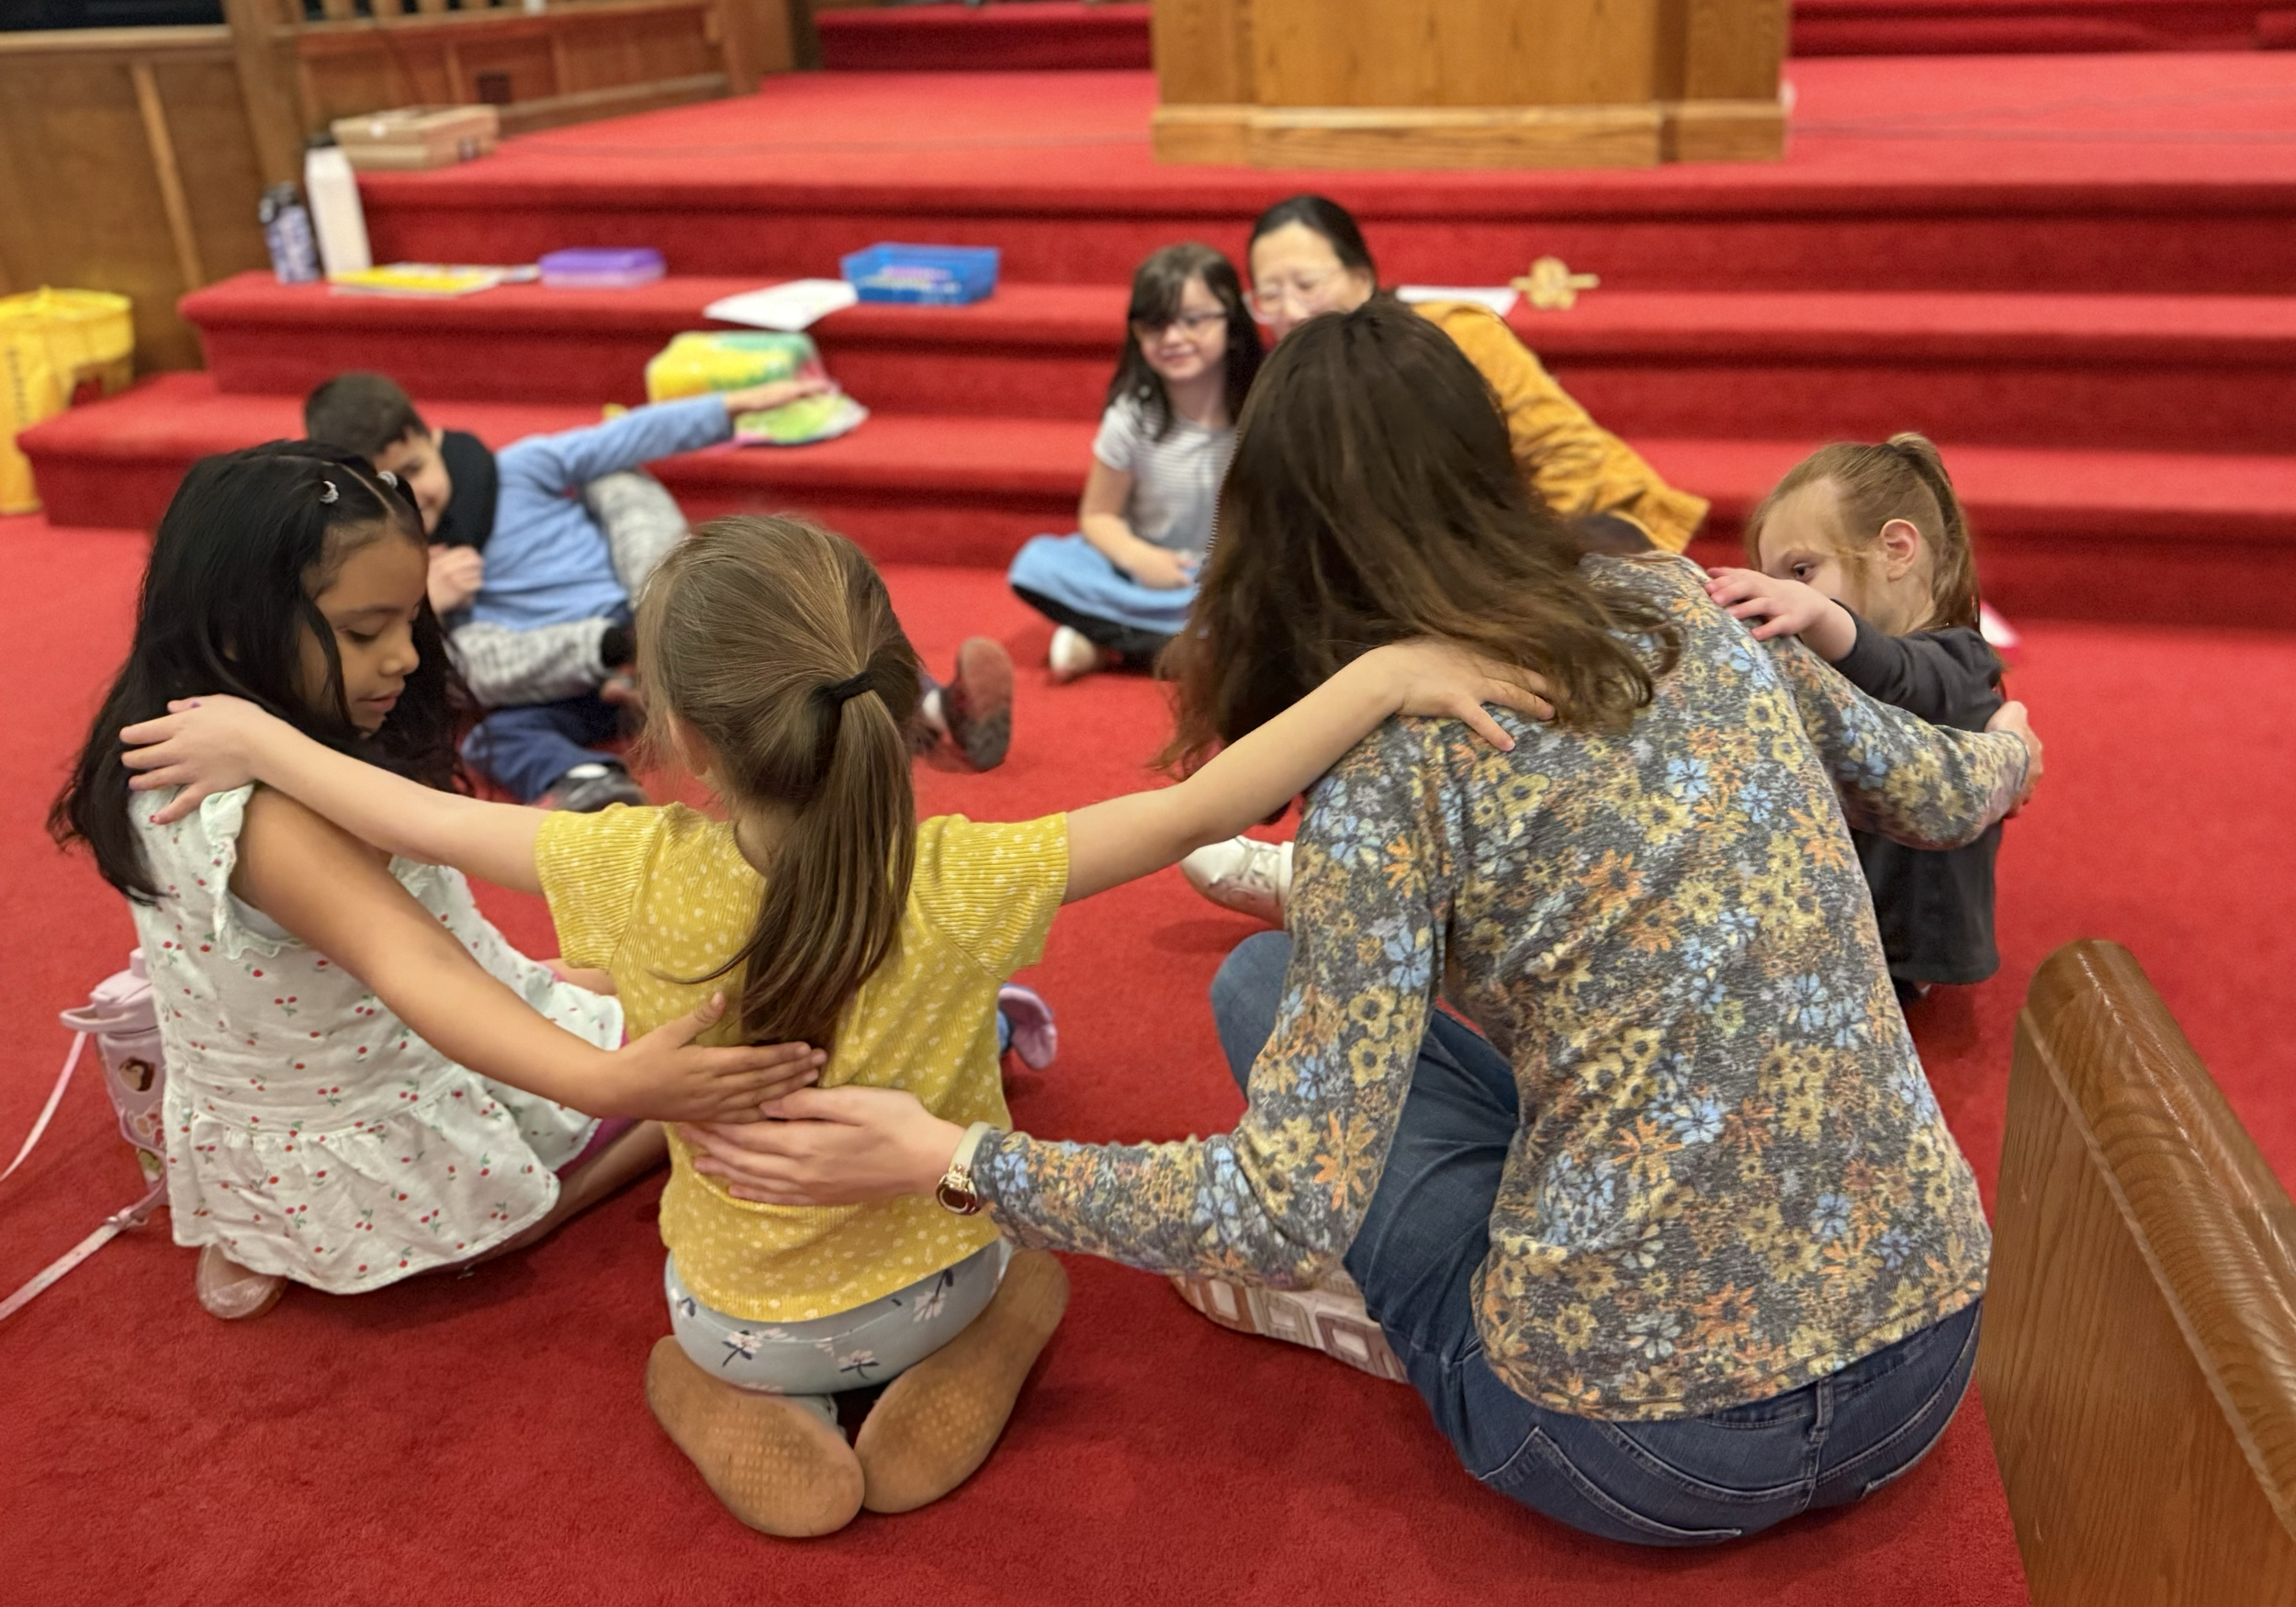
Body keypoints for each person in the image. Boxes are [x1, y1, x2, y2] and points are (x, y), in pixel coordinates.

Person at [669, 303, 2044, 1547]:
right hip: (1930, 1359)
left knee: (1269, 1002)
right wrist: (2022, 744)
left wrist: (961, 1155)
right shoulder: (1688, 600)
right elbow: (1943, 788)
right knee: (1293, 976)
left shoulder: (1389, 773)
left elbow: (1282, 1204)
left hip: (1645, 1452)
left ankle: (1387, 1320)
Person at [118, 514, 1549, 1536]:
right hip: (938, 1279)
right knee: (1017, 1263)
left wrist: (261, 742)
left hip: (737, 1320)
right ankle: (990, 1333)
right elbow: (1194, 804)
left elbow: (404, 813)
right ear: (883, 691)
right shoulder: (969, 875)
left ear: (670, 726)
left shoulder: (621, 866)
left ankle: (715, 1383)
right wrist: (1374, 677)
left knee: (700, 1330)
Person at [48, 444, 823, 1322]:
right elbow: (417, 964)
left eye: (412, 623)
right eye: (362, 631)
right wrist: (609, 1085)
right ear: (237, 625)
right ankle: (559, 1172)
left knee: (631, 980)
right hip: (399, 1101)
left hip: (294, 1097)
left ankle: (263, 1224)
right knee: (747, 1034)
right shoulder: (267, 818)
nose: (408, 658)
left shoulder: (173, 743)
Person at [1182, 193, 1710, 916]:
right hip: (1409, 579)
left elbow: (1557, 470)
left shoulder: (1446, 339)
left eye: (1306, 283)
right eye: (1268, 292)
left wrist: (1501, 574)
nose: (1286, 305)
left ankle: (1351, 877)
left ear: (1362, 275)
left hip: (1535, 550)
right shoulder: (1291, 386)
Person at [304, 374, 1019, 800]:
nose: (416, 497)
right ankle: (587, 787)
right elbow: (442, 663)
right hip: (565, 675)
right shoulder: (393, 554)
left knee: (770, 627)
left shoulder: (522, 468)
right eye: (387, 487)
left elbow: (630, 437)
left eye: (419, 469)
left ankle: (927, 705)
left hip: (645, 620)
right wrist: (429, 599)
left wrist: (739, 403)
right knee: (495, 737)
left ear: (432, 434)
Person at [1705, 434, 2006, 1002]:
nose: (1783, 594)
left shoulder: (1959, 658)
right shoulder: (1831, 658)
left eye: (1801, 570)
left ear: (1896, 550)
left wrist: (1820, 613)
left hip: (1901, 944)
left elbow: (1895, 671)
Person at [1007, 243, 1262, 682]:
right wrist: (1138, 557)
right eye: (1155, 324)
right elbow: (1098, 514)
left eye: (1194, 320)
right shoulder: (1132, 416)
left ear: (1233, 323)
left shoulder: (1264, 408)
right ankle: (1180, 650)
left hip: (1232, 580)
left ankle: (1113, 643)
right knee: (1038, 564)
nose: (1173, 338)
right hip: (1152, 579)